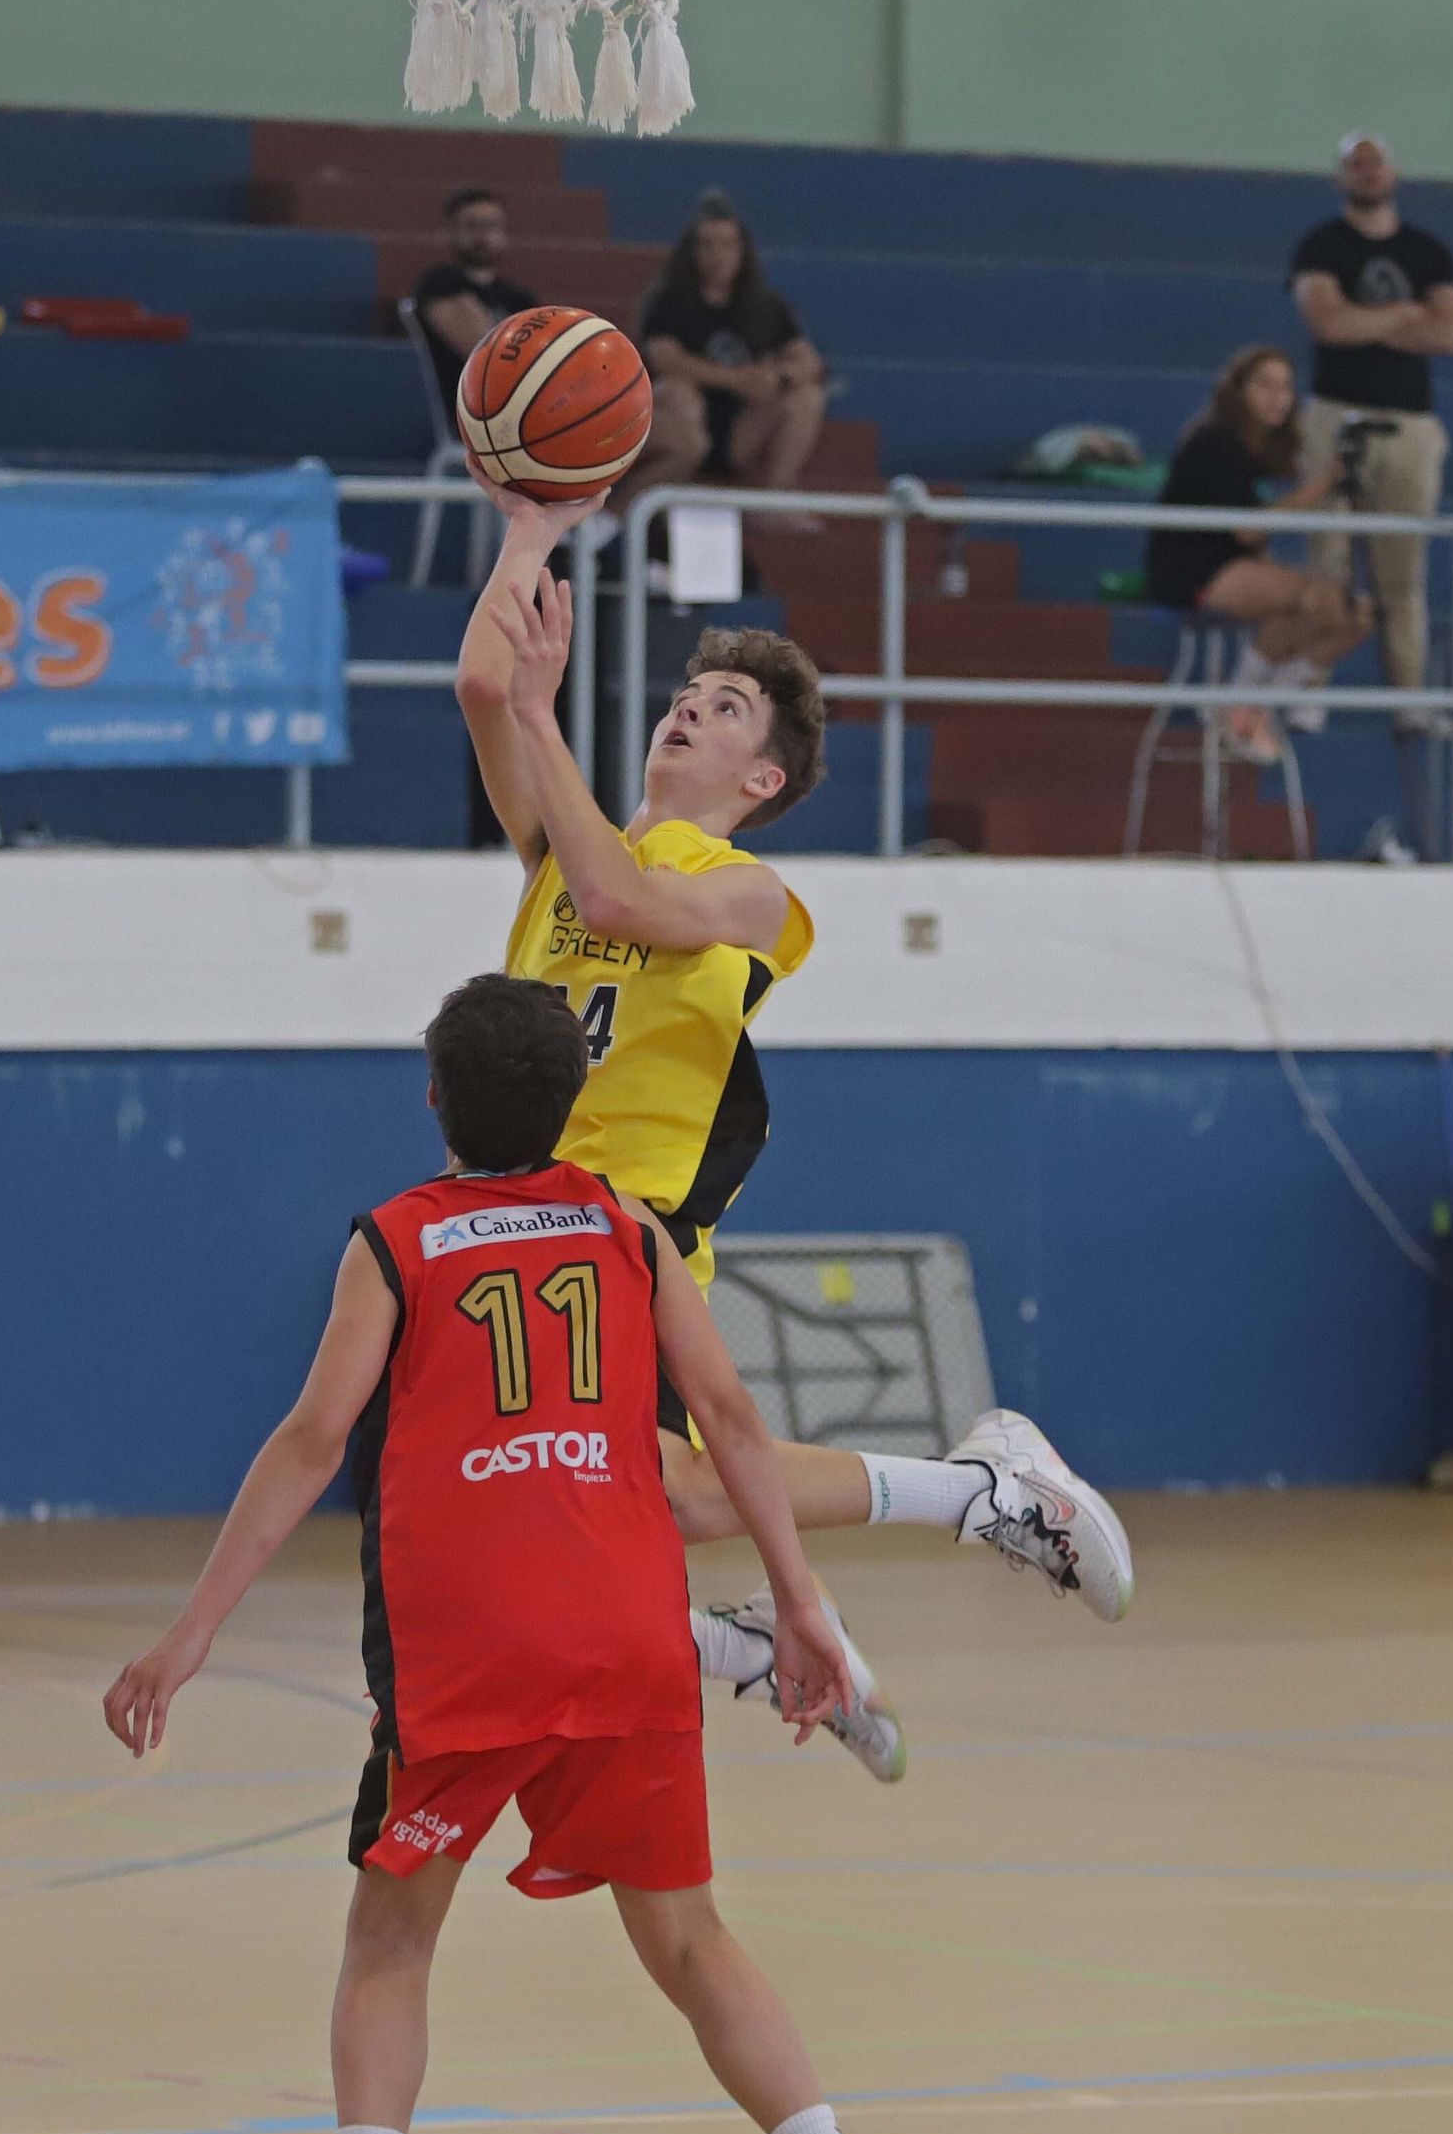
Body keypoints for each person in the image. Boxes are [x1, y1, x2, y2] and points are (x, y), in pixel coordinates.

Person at [102, 974, 969, 2134]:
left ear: (434, 1095)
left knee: (391, 1937)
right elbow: (734, 1421)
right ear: (577, 1102)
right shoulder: (626, 1227)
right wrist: (802, 1606)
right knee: (688, 1936)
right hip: (628, 1635)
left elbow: (314, 1438)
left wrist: (191, 1630)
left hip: (468, 1651)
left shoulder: (395, 1239)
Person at [455, 484, 1135, 1779]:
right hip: (527, 1228)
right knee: (560, 1528)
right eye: (687, 692)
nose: (687, 708)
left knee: (638, 1506)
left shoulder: (753, 894)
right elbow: (486, 693)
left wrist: (545, 714)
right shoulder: (565, 846)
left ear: (762, 778)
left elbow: (614, 884)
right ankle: (784, 1621)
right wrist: (529, 535)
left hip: (625, 1232)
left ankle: (973, 1494)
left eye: (723, 709)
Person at [1289, 135, 1453, 725]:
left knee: (1402, 570)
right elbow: (1327, 324)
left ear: (1394, 172)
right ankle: (1310, 688)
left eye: (1376, 163)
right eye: (1355, 165)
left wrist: (1364, 321)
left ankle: (1408, 700)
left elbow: (1448, 335)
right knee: (1328, 559)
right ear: (1340, 178)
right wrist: (1405, 314)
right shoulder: (1320, 246)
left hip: (1409, 427)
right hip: (1335, 416)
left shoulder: (1427, 252)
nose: (1367, 174)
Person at [1146, 346, 1371, 760]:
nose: (1277, 396)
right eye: (1264, 384)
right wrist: (1322, 485)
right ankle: (1238, 705)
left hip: (1235, 565)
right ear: (1238, 391)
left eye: (1285, 386)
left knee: (1354, 616)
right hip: (1191, 570)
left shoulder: (1258, 452)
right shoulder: (1215, 443)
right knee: (1312, 597)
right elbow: (1247, 529)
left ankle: (1256, 707)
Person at [620, 190, 827, 499]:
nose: (719, 255)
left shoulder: (767, 306)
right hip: (684, 419)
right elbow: (665, 360)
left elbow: (809, 361)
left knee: (807, 397)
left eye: (728, 245)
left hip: (742, 426)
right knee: (676, 390)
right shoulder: (668, 301)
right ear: (692, 251)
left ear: (743, 251)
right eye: (708, 245)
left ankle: (776, 495)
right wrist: (737, 379)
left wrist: (777, 377)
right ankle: (627, 511)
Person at [411, 188, 539, 429]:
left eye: (491, 226)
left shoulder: (519, 298)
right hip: (468, 412)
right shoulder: (440, 283)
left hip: (519, 411)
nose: (482, 235)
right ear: (451, 232)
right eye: (471, 225)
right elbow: (488, 355)